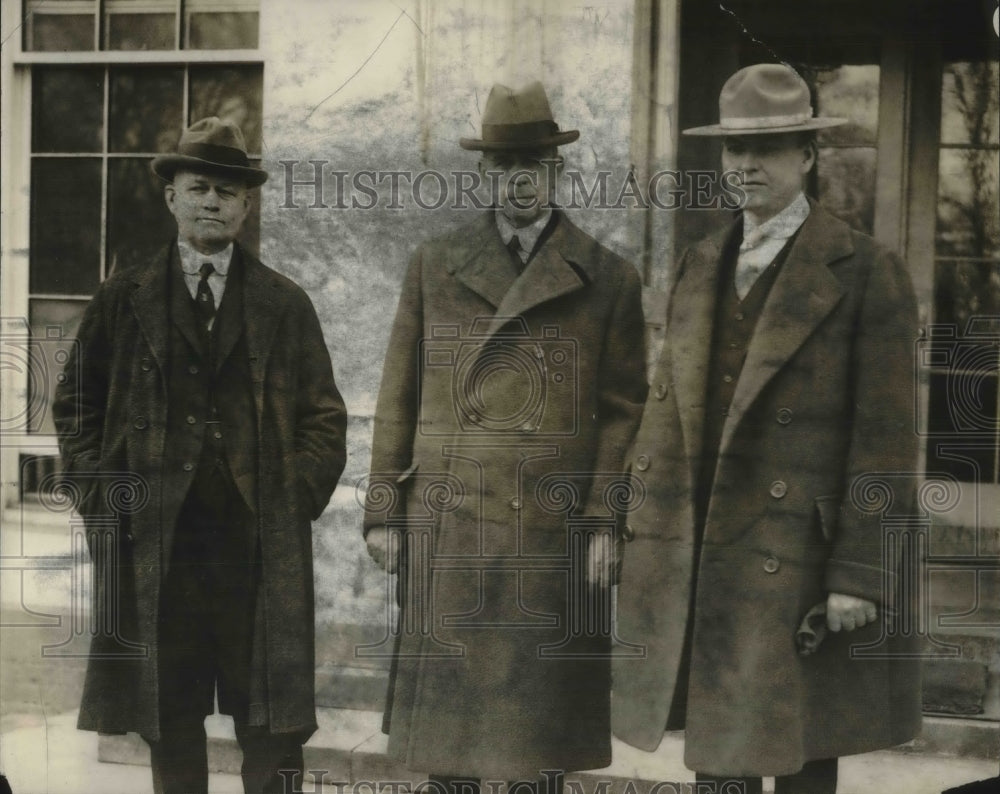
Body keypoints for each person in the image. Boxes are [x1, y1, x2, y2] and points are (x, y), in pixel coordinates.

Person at [612, 63, 922, 794]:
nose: (746, 166)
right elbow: (666, 419)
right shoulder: (700, 262)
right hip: (706, 549)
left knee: (801, 749)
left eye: (769, 148)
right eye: (734, 151)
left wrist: (859, 574)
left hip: (801, 558)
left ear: (808, 157)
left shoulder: (866, 270)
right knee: (720, 750)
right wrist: (639, 531)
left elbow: (885, 439)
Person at [364, 81, 648, 794]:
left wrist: (606, 520)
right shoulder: (436, 263)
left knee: (535, 753)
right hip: (453, 528)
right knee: (452, 756)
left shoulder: (610, 279)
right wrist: (381, 510)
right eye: (504, 164)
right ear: (484, 173)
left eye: (535, 163)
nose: (519, 177)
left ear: (558, 172)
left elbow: (624, 414)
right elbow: (397, 394)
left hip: (551, 537)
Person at [52, 117, 348, 794]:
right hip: (161, 543)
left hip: (256, 547)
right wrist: (102, 496)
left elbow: (324, 419)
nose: (212, 202)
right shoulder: (124, 298)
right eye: (198, 187)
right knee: (169, 713)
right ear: (171, 197)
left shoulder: (284, 304)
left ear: (248, 205)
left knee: (271, 722)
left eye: (227, 191)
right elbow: (76, 406)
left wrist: (291, 495)